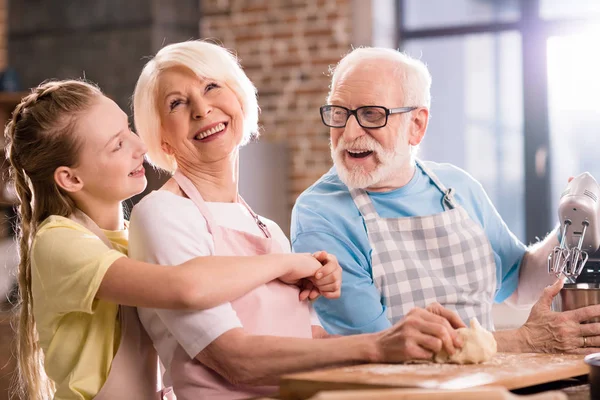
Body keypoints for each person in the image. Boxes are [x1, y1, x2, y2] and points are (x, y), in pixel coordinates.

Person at [129, 40, 468, 400]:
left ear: (240, 98)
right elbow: (234, 359)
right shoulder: (163, 214)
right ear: (161, 137)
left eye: (211, 86)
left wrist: (419, 345)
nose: (201, 108)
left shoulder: (266, 229)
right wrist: (380, 345)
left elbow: (310, 342)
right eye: (177, 103)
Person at [4, 79, 340, 400]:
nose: (140, 147)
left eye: (129, 130)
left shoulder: (126, 234)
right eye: (117, 145)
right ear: (71, 178)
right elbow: (186, 288)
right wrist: (286, 262)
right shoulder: (59, 242)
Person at [291, 46, 600, 354]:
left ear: (417, 125)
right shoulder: (321, 212)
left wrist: (569, 230)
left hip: (488, 384)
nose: (349, 131)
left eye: (371, 114)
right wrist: (525, 340)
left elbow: (519, 285)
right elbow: (384, 349)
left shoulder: (457, 186)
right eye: (339, 112)